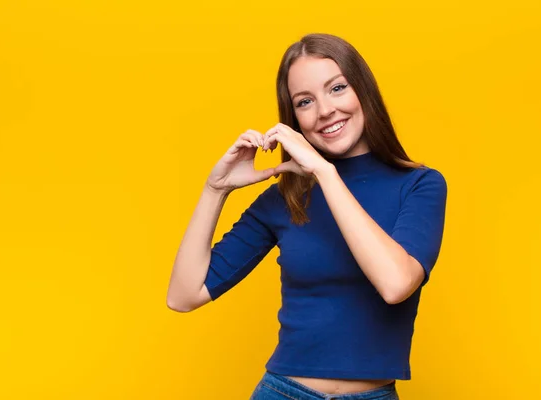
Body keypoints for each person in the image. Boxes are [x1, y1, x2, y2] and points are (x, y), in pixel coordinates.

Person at [167, 33, 448, 400]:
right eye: (305, 101)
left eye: (337, 88)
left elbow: (395, 285)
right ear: (294, 117)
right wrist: (214, 189)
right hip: (283, 391)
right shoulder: (286, 196)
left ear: (363, 90)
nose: (325, 110)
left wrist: (325, 173)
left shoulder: (419, 185)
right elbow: (184, 295)